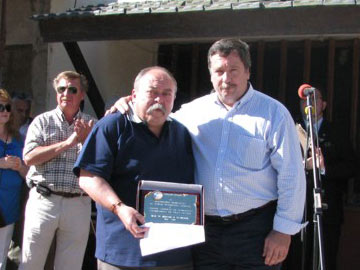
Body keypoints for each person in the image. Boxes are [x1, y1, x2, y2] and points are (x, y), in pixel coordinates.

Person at [111, 38, 306, 270]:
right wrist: (129, 102)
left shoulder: (274, 113)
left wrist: (283, 230)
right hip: (206, 233)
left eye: (234, 70)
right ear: (211, 74)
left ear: (247, 72)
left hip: (256, 231)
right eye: (219, 71)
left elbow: (291, 175)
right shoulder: (192, 112)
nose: (226, 78)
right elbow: (156, 116)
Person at [73, 66, 195, 270]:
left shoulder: (181, 132)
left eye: (167, 94)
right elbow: (88, 177)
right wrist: (119, 208)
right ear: (134, 95)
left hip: (175, 254)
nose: (159, 100)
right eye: (152, 92)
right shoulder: (112, 126)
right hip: (124, 253)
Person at [19, 71, 96, 270]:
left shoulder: (92, 125)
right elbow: (29, 158)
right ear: (56, 93)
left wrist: (87, 141)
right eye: (61, 89)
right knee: (31, 263)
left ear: (82, 95)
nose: (66, 93)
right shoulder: (42, 121)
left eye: (72, 89)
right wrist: (68, 143)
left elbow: (101, 166)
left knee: (70, 266)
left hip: (78, 203)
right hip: (44, 200)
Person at [284, 87, 356, 270]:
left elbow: (351, 166)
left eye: (314, 98)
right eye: (304, 100)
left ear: (323, 104)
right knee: (297, 259)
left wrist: (323, 169)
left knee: (325, 257)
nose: (308, 103)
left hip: (328, 209)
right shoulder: (292, 130)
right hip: (297, 209)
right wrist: (303, 166)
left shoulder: (336, 132)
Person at [0, 89, 28, 270]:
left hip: (9, 208)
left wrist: (19, 167)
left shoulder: (19, 139)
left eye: (7, 107)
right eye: (0, 107)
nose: (5, 111)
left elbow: (29, 174)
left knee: (1, 260)